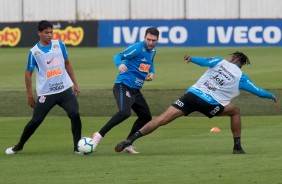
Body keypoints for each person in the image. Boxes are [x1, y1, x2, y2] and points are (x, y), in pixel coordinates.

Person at [115, 51, 278, 154]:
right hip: (209, 103)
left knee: (161, 120)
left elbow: (204, 61)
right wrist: (271, 96)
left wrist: (191, 59)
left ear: (233, 58)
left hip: (191, 96)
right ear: (241, 64)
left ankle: (131, 139)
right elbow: (258, 91)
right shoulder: (241, 77)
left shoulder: (219, 61)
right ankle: (237, 147)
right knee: (235, 110)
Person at [5, 20, 82, 154]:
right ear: (39, 33)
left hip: (65, 90)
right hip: (47, 93)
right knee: (36, 120)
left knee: (75, 114)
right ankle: (19, 146)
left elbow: (67, 64)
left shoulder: (60, 45)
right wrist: (29, 95)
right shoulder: (34, 52)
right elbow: (28, 74)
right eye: (46, 32)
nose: (50, 35)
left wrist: (75, 83)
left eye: (51, 32)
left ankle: (77, 147)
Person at [92, 27, 159, 154]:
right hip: (123, 85)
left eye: (153, 40)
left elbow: (151, 61)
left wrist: (152, 72)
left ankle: (128, 143)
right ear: (144, 37)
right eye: (148, 39)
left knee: (145, 116)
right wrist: (120, 64)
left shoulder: (153, 50)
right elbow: (118, 56)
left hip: (135, 90)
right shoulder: (137, 48)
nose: (150, 42)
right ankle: (99, 135)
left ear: (157, 40)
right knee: (124, 112)